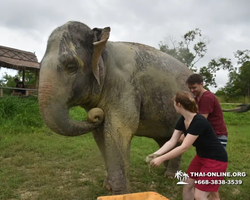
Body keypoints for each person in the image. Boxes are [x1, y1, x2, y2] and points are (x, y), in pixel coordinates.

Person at [147, 91, 228, 200]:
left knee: (199, 196)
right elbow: (172, 141)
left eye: (174, 103)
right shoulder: (183, 120)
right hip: (201, 157)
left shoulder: (199, 121)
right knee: (187, 185)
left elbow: (184, 147)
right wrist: (155, 154)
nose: (173, 106)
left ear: (179, 104)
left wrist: (162, 158)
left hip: (215, 160)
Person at [186, 74, 228, 200]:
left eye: (194, 87)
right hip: (210, 136)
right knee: (210, 173)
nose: (192, 90)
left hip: (217, 136)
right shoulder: (198, 98)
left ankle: (211, 196)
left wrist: (187, 134)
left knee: (213, 168)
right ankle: (212, 196)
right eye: (190, 88)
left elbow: (201, 121)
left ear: (201, 84)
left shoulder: (207, 98)